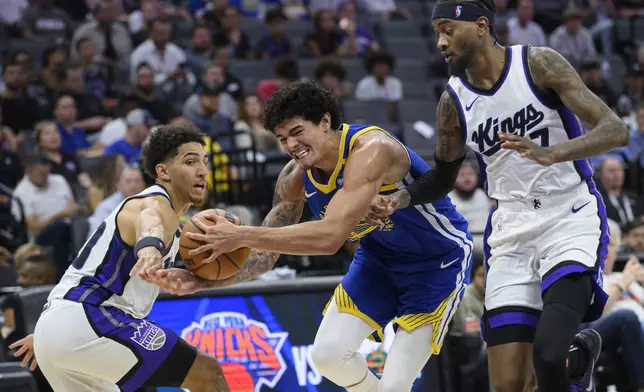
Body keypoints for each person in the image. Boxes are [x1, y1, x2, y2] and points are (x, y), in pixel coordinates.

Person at [364, 1, 631, 392]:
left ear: (481, 26)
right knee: (509, 384)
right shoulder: (452, 102)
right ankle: (575, 364)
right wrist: (398, 200)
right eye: (436, 32)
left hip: (568, 215)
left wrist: (554, 152)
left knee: (548, 355)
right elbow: (442, 176)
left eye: (447, 30)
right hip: (511, 229)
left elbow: (615, 130)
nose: (440, 42)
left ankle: (572, 364)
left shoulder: (539, 64)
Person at [155, 80, 474, 392]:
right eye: (282, 138)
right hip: (380, 262)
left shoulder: (372, 151)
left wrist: (239, 234)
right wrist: (204, 282)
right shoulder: (294, 178)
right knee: (327, 356)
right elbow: (265, 256)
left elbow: (330, 237)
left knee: (395, 384)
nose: (291, 145)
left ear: (325, 122)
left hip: (436, 263)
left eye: (297, 132)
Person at [9, 123, 231, 392]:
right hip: (92, 317)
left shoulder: (178, 228)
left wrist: (54, 331)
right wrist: (149, 248)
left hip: (59, 327)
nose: (202, 171)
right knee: (208, 373)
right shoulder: (154, 202)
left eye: (204, 161)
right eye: (190, 161)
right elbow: (149, 220)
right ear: (163, 171)